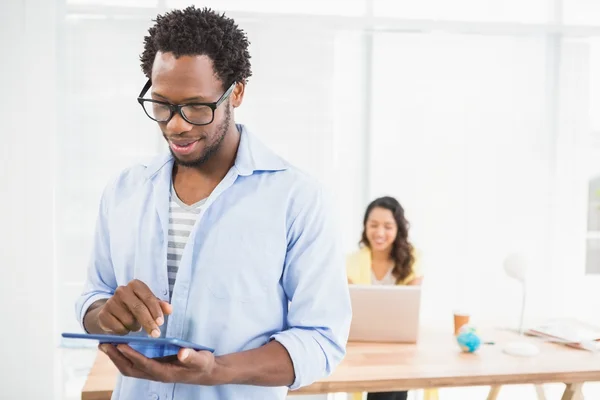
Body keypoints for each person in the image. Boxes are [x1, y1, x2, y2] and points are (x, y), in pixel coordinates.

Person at [75, 6, 352, 400]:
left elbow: (321, 340)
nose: (176, 124)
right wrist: (105, 316)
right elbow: (91, 299)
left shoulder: (297, 199)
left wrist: (216, 371)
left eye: (196, 106)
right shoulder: (124, 190)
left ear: (236, 92)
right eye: (162, 104)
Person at [346, 196, 425, 400]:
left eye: (388, 226)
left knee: (393, 382)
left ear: (398, 228)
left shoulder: (413, 259)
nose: (380, 233)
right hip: (361, 344)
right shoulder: (351, 262)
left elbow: (409, 313)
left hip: (398, 347)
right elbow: (350, 310)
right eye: (373, 225)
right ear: (365, 227)